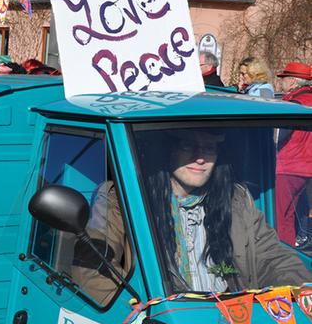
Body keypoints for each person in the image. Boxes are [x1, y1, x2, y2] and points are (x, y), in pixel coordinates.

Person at [74, 129, 311, 303]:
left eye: (209, 148)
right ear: (168, 150)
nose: (200, 158)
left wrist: (302, 293)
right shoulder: (122, 198)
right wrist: (140, 315)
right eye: (188, 146)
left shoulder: (235, 201)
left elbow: (272, 257)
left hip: (233, 323)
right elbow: (92, 268)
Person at [274, 62, 312, 250]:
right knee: (297, 214)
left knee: (282, 217)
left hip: (289, 165)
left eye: (284, 78)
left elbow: (281, 134)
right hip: (307, 166)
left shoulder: (294, 102)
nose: (281, 82)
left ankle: (285, 257)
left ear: (293, 81)